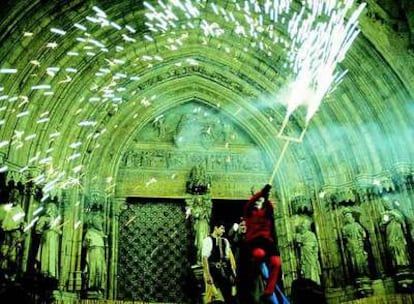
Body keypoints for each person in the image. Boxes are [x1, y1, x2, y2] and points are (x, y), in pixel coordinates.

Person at [243, 184, 281, 298]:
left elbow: (270, 206)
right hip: (254, 240)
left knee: (276, 262)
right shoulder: (249, 212)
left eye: (260, 200)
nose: (257, 202)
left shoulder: (267, 212)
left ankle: (269, 290)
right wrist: (261, 192)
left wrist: (266, 194)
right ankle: (253, 276)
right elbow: (250, 203)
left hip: (267, 241)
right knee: (259, 254)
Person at [202, 221, 236, 304]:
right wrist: (208, 275)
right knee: (216, 299)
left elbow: (228, 259)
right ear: (215, 228)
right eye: (222, 228)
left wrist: (231, 274)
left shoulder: (225, 241)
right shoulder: (208, 240)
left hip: (224, 274)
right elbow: (204, 259)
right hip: (213, 273)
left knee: (228, 298)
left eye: (224, 229)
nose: (223, 231)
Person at [0, 188, 25, 280]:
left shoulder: (20, 211)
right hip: (3, 234)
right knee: (3, 253)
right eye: (12, 195)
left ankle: (11, 275)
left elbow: (18, 223)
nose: (14, 197)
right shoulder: (3, 208)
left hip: (14, 234)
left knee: (12, 256)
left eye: (16, 196)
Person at [35, 202, 62, 280]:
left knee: (52, 255)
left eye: (54, 208)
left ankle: (51, 273)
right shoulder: (44, 218)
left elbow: (59, 230)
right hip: (47, 237)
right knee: (46, 254)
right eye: (51, 208)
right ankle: (45, 272)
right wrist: (45, 231)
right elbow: (38, 229)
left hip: (54, 239)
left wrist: (58, 231)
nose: (53, 210)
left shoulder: (56, 220)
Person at [341, 209, 370, 278]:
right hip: (352, 246)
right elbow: (345, 237)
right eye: (347, 216)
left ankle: (365, 273)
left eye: (349, 216)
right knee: (354, 261)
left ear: (352, 217)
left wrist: (361, 238)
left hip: (359, 244)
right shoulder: (345, 228)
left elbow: (363, 233)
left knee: (362, 259)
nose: (348, 218)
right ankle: (358, 274)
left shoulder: (357, 225)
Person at [83, 215, 107, 295]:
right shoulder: (90, 232)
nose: (100, 223)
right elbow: (84, 244)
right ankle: (91, 287)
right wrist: (87, 241)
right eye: (98, 221)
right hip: (93, 252)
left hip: (100, 252)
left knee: (100, 269)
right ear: (94, 223)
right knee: (93, 269)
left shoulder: (102, 233)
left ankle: (99, 287)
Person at [295, 219, 321, 285]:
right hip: (304, 253)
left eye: (305, 225)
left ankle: (315, 283)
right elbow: (298, 244)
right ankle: (309, 284)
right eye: (302, 226)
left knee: (313, 268)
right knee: (306, 270)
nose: (303, 227)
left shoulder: (312, 234)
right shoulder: (300, 235)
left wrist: (315, 255)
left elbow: (316, 245)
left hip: (311, 254)